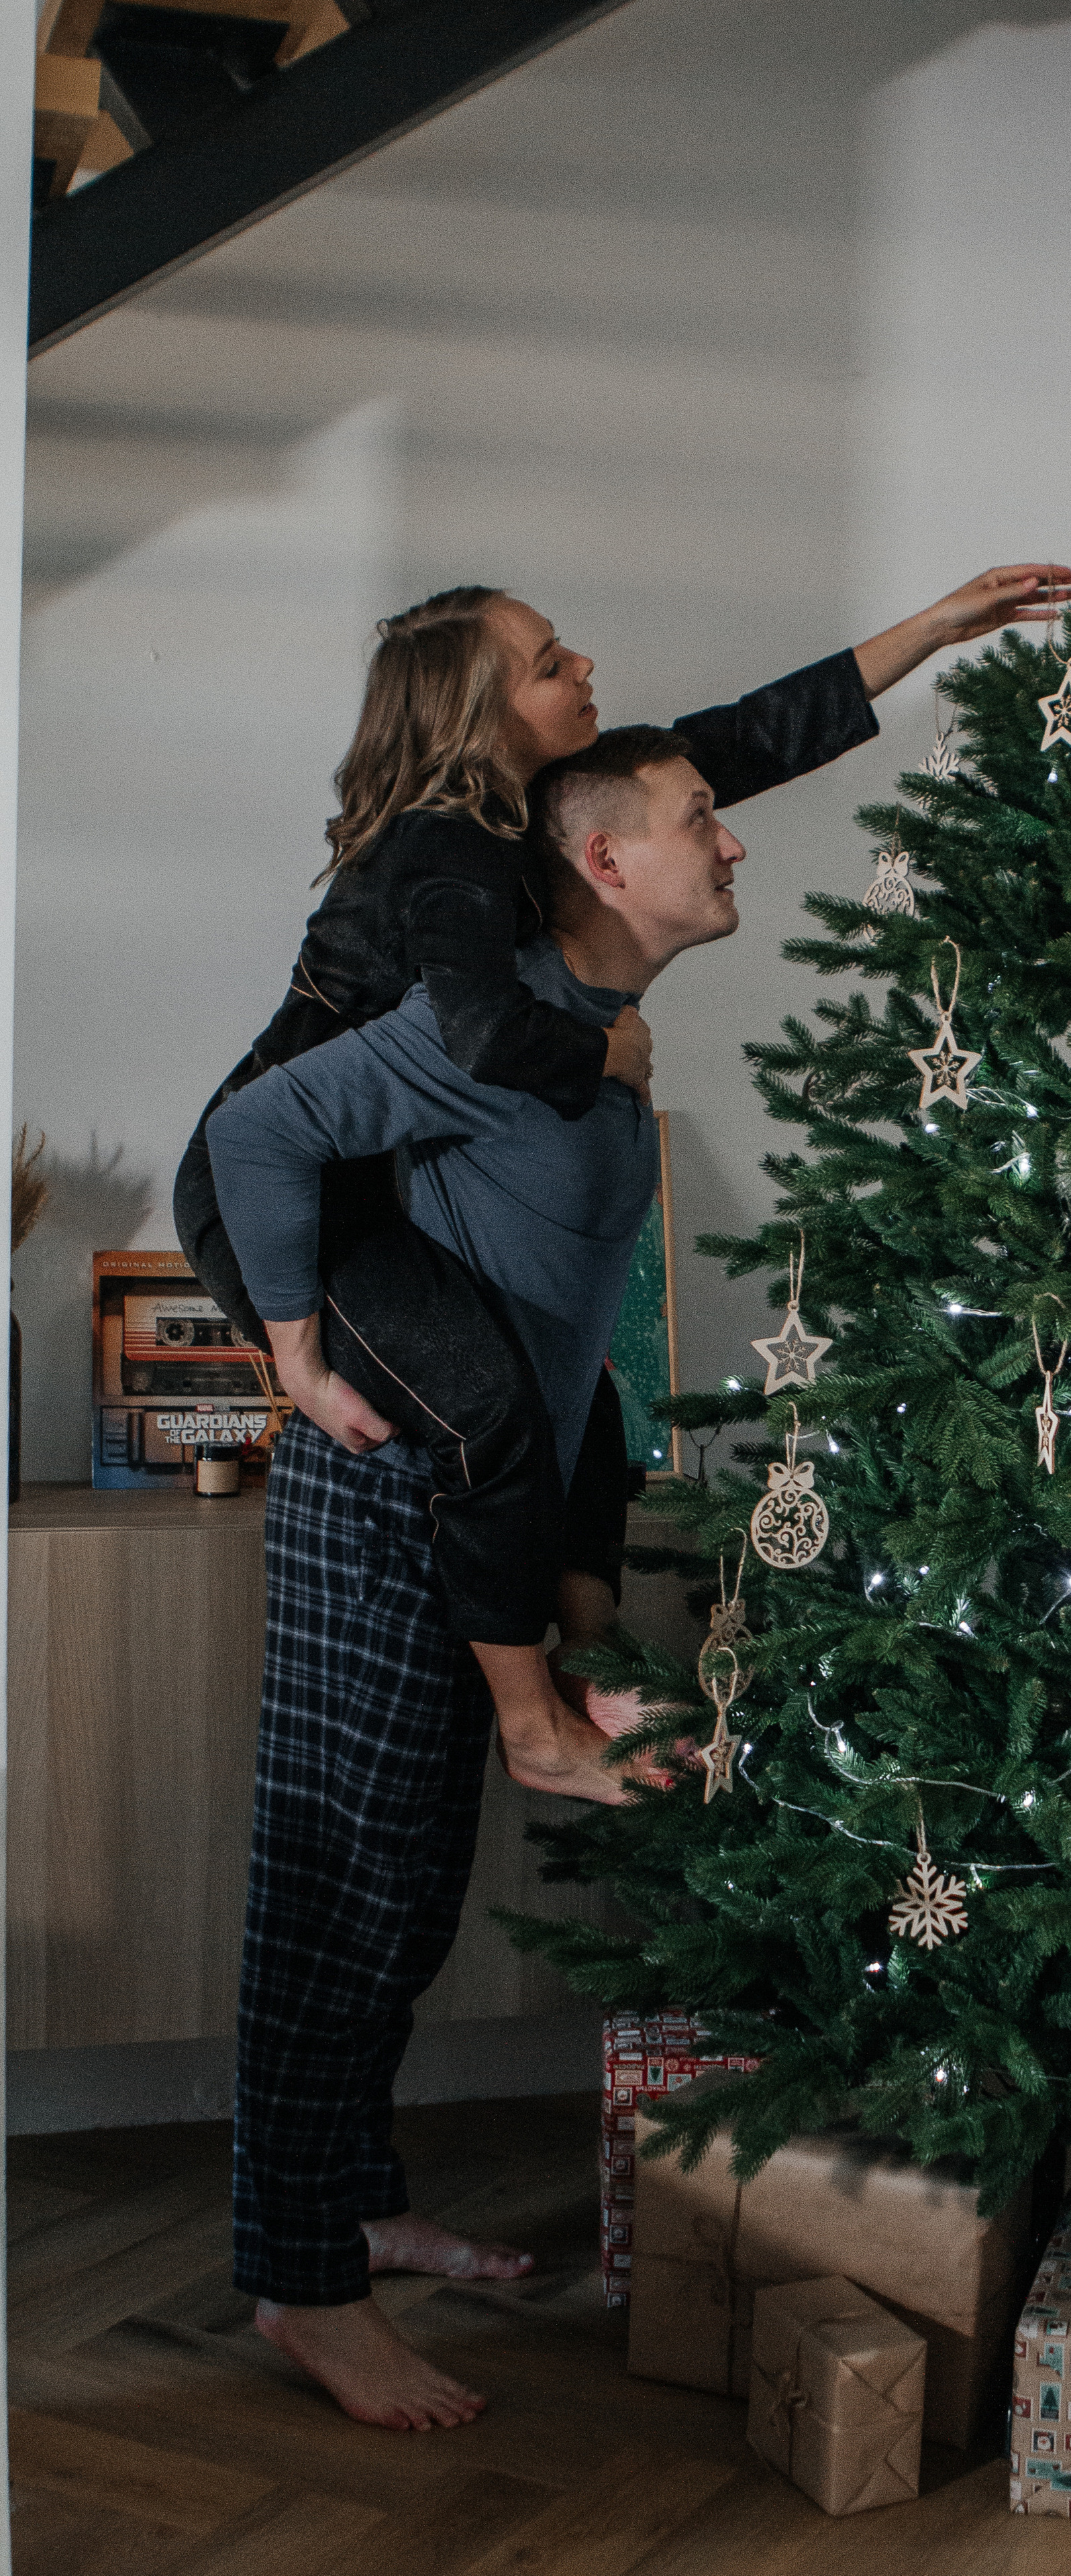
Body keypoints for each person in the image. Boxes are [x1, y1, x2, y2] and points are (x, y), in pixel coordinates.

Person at [177, 568, 1071, 1793]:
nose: (585, 666)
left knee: (583, 1397)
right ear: (476, 713)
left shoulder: (522, 819)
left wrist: (924, 633)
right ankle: (533, 1730)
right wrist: (603, 1047)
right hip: (268, 1175)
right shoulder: (450, 850)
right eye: (550, 663)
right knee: (487, 1404)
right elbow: (482, 1041)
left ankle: (588, 1646)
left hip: (347, 1159)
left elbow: (740, 741)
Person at [204, 727, 749, 2431]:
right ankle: (301, 2290)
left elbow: (575, 1345)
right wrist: (295, 1361)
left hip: (495, 1517)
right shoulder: (474, 1034)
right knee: (344, 1897)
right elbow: (256, 1141)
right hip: (386, 1496)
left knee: (411, 1893)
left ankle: (353, 2206)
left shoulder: (592, 1038)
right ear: (601, 862)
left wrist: (581, 1616)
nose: (727, 841)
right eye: (695, 819)